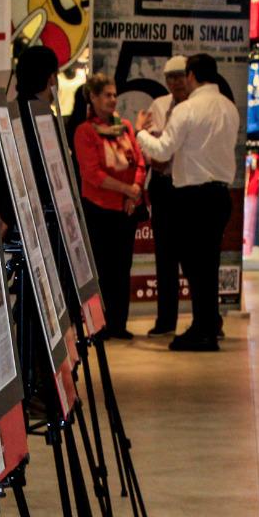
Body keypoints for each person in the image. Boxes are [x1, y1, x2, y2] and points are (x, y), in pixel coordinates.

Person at [135, 53, 238, 352]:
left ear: (191, 75)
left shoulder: (188, 109)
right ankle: (207, 324)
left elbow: (163, 150)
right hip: (220, 195)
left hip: (192, 198)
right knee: (208, 265)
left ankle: (202, 330)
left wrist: (140, 131)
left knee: (196, 267)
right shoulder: (229, 108)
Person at [73, 74, 148, 339]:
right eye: (107, 94)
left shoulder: (125, 126)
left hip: (124, 210)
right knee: (100, 270)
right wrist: (126, 189)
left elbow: (139, 161)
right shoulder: (85, 132)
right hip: (98, 209)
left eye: (114, 94)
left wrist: (134, 191)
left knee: (121, 268)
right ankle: (98, 326)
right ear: (92, 98)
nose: (113, 99)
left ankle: (118, 324)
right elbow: (92, 174)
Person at [144, 56, 190, 336]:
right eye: (170, 77)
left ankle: (207, 319)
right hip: (162, 185)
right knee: (165, 257)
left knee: (196, 257)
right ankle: (166, 320)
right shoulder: (159, 105)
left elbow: (166, 146)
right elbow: (156, 153)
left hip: (188, 187)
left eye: (180, 76)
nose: (175, 82)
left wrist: (164, 146)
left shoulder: (195, 107)